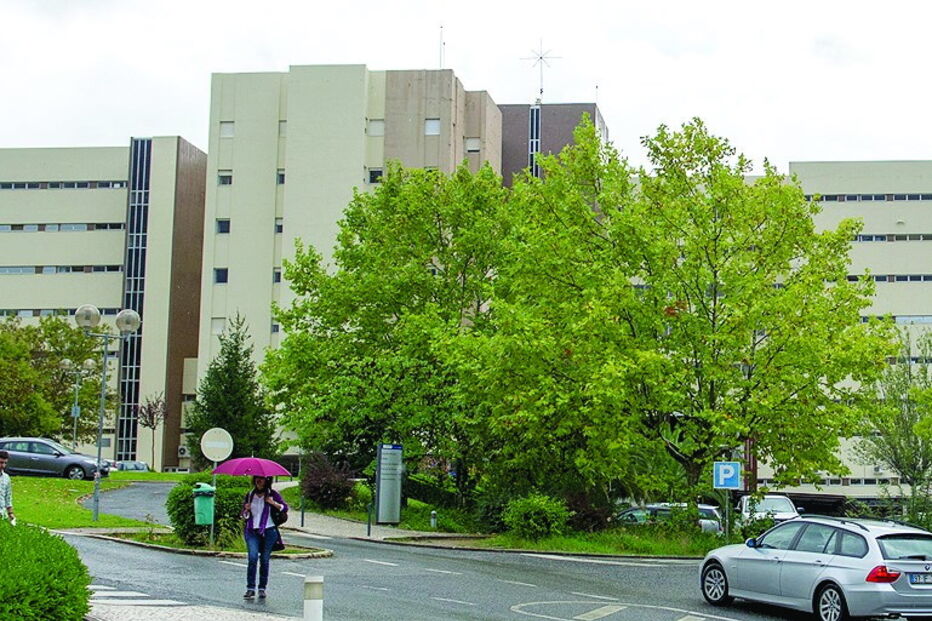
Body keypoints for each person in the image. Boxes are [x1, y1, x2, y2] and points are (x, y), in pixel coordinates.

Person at [241, 475, 287, 599]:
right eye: (256, 478)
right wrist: (246, 510)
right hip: (252, 531)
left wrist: (273, 503)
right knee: (252, 557)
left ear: (267, 480)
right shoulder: (250, 495)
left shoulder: (272, 494)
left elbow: (284, 508)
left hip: (269, 531)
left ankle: (262, 588)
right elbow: (244, 516)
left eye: (261, 479)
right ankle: (250, 588)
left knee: (265, 560)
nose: (258, 480)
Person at [0, 450, 14, 524]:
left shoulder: (6, 478)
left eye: (5, 463)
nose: (3, 465)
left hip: (2, 514)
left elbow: (8, 497)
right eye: (1, 462)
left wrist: (10, 513)